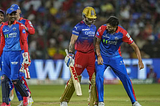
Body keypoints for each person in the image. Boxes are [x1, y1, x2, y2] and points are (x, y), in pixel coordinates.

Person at [95, 16, 144, 106]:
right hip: (102, 57)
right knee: (99, 76)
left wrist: (140, 60)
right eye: (107, 26)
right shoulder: (102, 29)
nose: (107, 28)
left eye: (110, 27)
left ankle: (134, 102)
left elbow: (135, 47)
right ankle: (101, 102)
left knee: (125, 78)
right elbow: (97, 43)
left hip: (115, 58)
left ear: (115, 27)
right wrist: (98, 55)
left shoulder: (123, 33)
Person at [60, 7, 97, 106]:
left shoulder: (94, 27)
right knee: (75, 79)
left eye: (93, 18)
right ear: (84, 17)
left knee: (94, 80)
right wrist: (71, 54)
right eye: (90, 18)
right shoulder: (78, 27)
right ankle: (64, 100)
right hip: (80, 55)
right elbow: (72, 41)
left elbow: (95, 42)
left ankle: (93, 102)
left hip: (91, 55)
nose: (92, 20)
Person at [0, 7, 30, 106]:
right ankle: (5, 102)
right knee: (4, 78)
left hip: (16, 54)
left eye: (14, 14)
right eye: (11, 14)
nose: (13, 16)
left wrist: (26, 54)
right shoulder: (3, 27)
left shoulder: (20, 26)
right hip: (5, 55)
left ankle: (25, 96)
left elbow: (24, 41)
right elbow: (2, 43)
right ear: (7, 16)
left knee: (15, 79)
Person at [8, 4, 35, 106]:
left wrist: (24, 27)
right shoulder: (10, 23)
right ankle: (24, 98)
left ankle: (27, 97)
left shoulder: (26, 21)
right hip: (12, 52)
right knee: (14, 76)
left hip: (23, 52)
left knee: (20, 76)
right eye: (12, 12)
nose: (13, 13)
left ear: (19, 11)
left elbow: (32, 31)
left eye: (15, 11)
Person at [0, 9, 5, 85]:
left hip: (4, 53)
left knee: (5, 73)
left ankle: (10, 92)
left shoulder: (6, 26)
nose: (0, 17)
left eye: (1, 15)